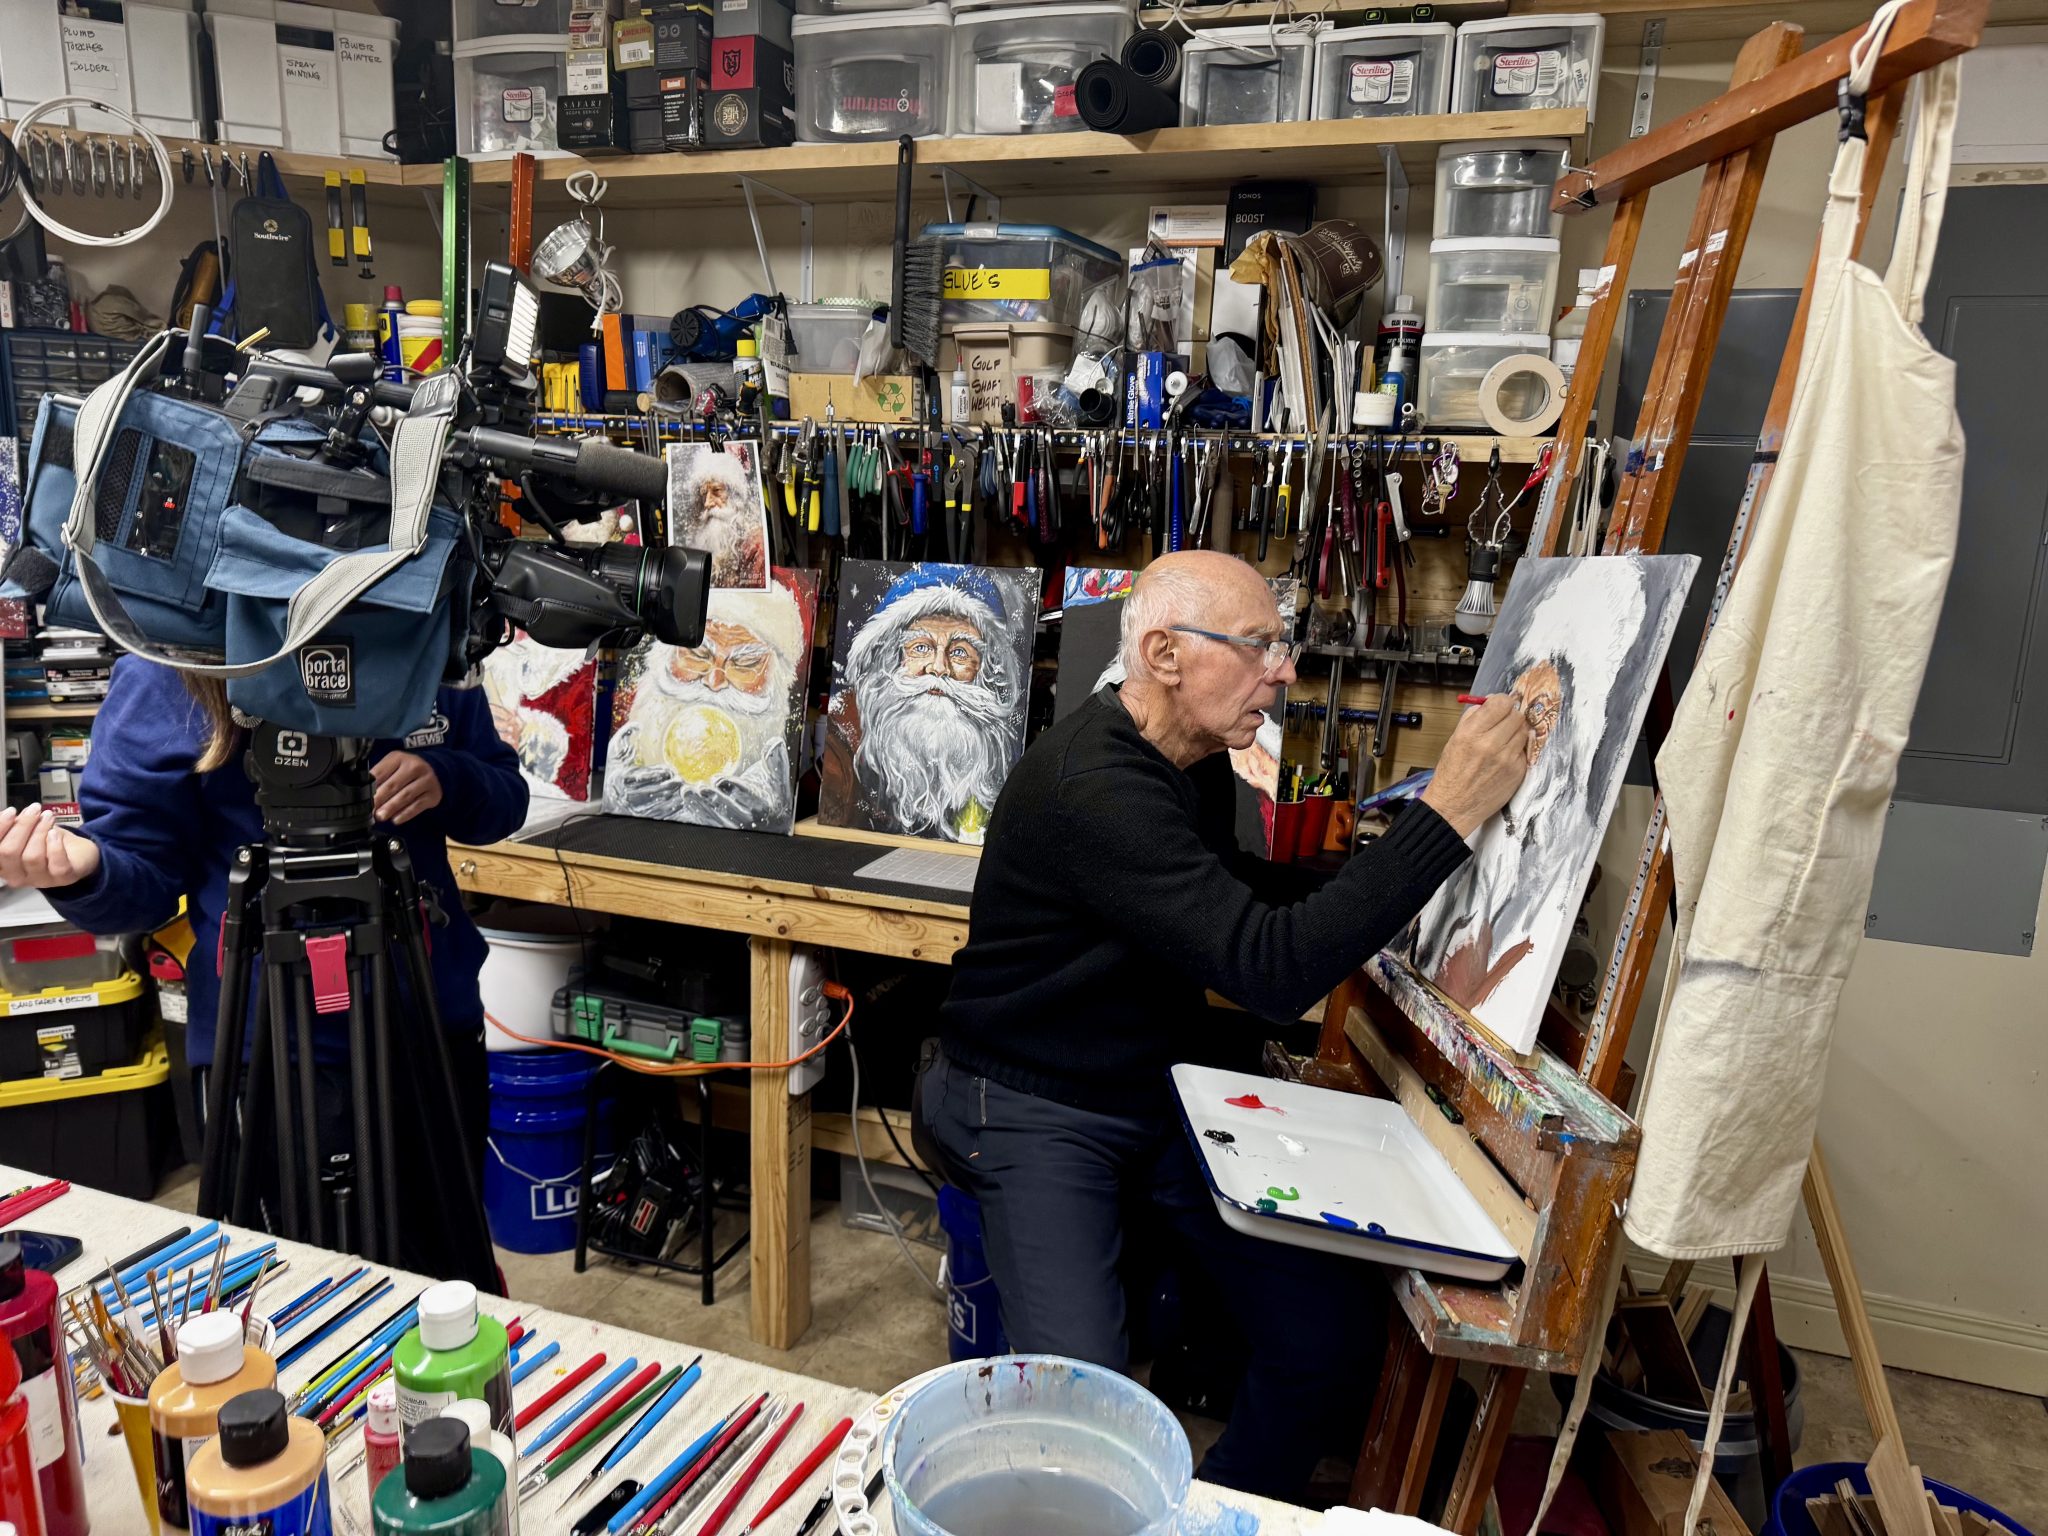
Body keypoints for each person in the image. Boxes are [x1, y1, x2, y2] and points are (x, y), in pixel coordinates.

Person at [921, 550, 1531, 1503]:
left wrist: (1367, 893)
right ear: (1164, 654)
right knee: (1091, 1419)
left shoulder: (1191, 762)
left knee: (1326, 1336)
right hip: (1034, 1104)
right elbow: (1268, 971)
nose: (1282, 671)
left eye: (1281, 646)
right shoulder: (1095, 785)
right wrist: (1446, 813)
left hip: (1153, 1087)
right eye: (1257, 646)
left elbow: (1226, 890)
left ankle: (1219, 1506)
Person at [0, 657, 529, 1283]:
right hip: (265, 1043)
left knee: (449, 1272)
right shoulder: (167, 664)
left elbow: (504, 798)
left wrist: (449, 779)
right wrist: (84, 871)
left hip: (431, 1022)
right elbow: (139, 877)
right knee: (289, 1287)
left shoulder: (419, 639)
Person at [822, 565, 1027, 845]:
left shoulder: (1000, 756)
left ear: (986, 671)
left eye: (960, 652)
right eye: (921, 647)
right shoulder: (846, 741)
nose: (939, 667)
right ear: (893, 658)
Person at [606, 585, 807, 831]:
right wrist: (615, 798)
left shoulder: (770, 761)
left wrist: (773, 822)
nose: (714, 681)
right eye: (698, 655)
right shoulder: (631, 737)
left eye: (745, 663)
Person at [672, 445, 767, 589]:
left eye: (716, 491)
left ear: (735, 495)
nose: (707, 503)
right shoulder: (699, 541)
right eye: (704, 494)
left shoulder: (756, 548)